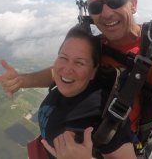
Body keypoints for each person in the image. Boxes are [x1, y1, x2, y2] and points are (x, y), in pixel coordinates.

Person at [0, 0, 152, 158]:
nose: (106, 13)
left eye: (115, 1)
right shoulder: (95, 45)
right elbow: (66, 71)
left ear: (133, 4)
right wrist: (23, 80)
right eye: (96, 6)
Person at [35, 26, 136, 158]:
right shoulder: (63, 86)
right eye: (63, 58)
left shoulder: (103, 115)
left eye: (79, 63)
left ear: (93, 72)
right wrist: (21, 81)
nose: (66, 70)